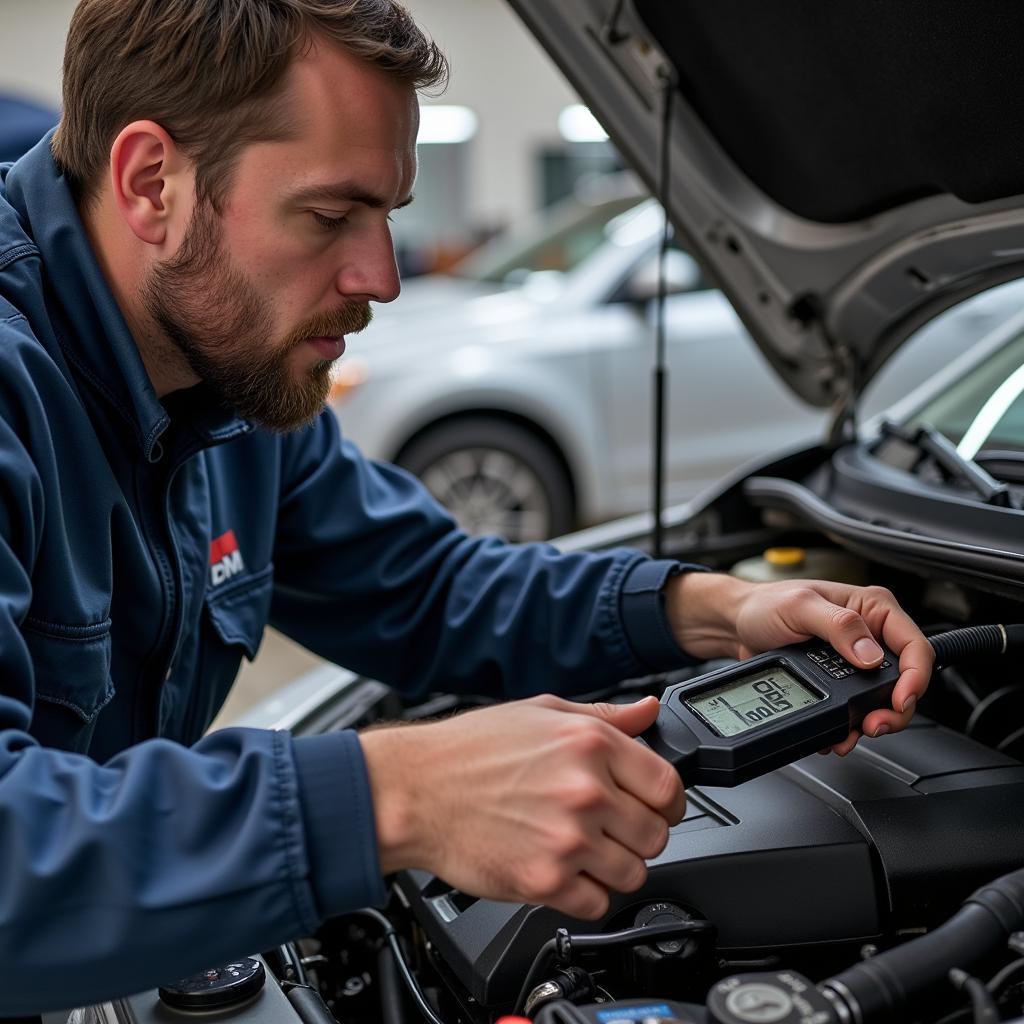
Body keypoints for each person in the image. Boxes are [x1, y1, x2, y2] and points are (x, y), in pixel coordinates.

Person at [0, 0, 933, 1013]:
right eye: (329, 215)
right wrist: (398, 793)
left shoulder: (230, 375)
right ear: (152, 183)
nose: (382, 278)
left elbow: (424, 585)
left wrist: (715, 609)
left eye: (390, 213)